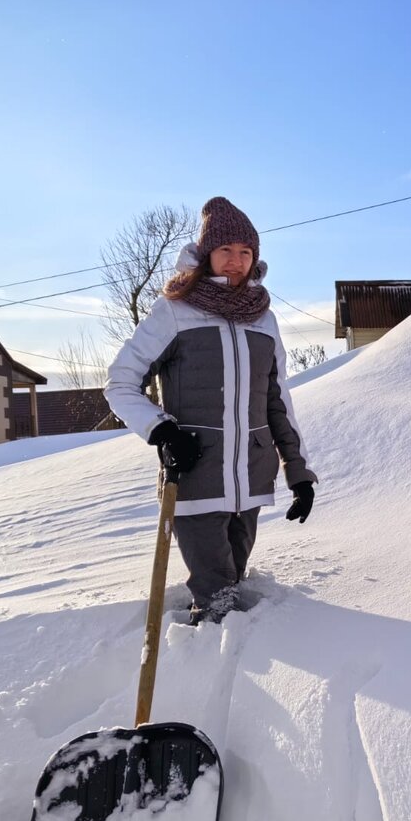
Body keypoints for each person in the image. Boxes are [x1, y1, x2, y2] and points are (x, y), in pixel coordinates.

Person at [105, 196, 317, 625]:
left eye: (245, 252)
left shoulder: (263, 317)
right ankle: (206, 664)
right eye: (226, 251)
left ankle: (235, 664)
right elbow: (120, 383)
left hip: (252, 477)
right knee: (216, 594)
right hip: (196, 473)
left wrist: (298, 471)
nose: (236, 261)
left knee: (233, 578)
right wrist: (162, 432)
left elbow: (277, 399)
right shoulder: (175, 311)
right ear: (206, 255)